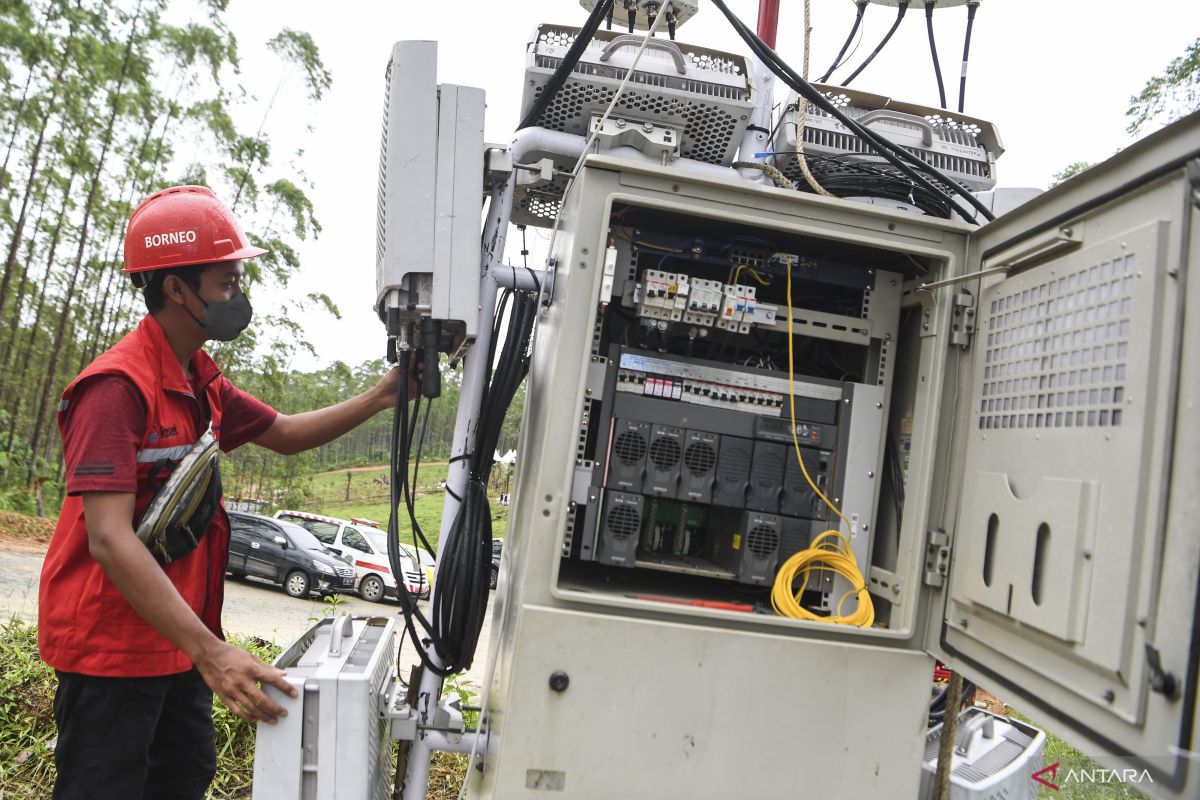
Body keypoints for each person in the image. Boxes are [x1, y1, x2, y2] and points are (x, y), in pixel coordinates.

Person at [38, 185, 407, 800]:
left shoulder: (201, 379)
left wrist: (382, 395)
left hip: (177, 638)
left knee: (184, 776)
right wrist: (213, 653)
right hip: (112, 646)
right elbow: (106, 536)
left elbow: (284, 435)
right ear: (176, 287)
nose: (240, 289)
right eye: (226, 278)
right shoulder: (116, 389)